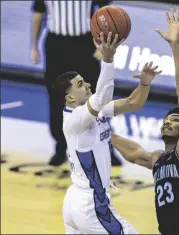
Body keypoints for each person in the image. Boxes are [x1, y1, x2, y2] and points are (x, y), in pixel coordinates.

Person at [110, 9, 179, 235]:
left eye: (175, 120)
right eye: (166, 120)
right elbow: (134, 153)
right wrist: (101, 130)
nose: (167, 122)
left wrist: (175, 45)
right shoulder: (158, 158)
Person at [54, 31, 161, 234]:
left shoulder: (95, 109)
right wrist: (108, 59)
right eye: (79, 84)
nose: (87, 85)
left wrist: (144, 83)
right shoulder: (74, 121)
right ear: (69, 98)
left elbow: (133, 103)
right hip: (90, 203)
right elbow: (103, 95)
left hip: (75, 199)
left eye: (84, 81)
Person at [31, 0, 123, 166]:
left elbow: (106, 12)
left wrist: (101, 45)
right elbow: (38, 14)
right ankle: (61, 147)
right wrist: (33, 46)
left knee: (94, 97)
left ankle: (105, 147)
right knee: (57, 97)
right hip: (56, 45)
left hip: (84, 44)